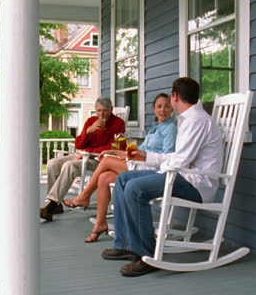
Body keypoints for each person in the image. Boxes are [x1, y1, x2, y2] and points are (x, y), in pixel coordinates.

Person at [101, 77, 224, 277]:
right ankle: (124, 244)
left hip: (197, 183)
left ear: (175, 97)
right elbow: (177, 157)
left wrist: (159, 169)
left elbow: (181, 160)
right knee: (125, 179)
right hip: (183, 175)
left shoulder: (196, 120)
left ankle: (145, 254)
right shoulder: (188, 119)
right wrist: (147, 156)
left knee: (135, 188)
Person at [63, 93, 177, 243]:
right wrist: (115, 151)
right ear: (154, 109)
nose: (163, 110)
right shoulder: (155, 129)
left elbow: (167, 157)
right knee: (104, 178)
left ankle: (83, 197)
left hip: (150, 171)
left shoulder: (171, 129)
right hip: (138, 165)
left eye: (167, 106)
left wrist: (116, 153)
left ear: (172, 109)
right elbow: (139, 150)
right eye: (159, 106)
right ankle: (100, 223)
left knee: (106, 161)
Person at [40, 97, 125, 221]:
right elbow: (78, 144)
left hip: (100, 161)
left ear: (111, 110)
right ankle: (57, 205)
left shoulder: (119, 123)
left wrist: (89, 152)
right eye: (99, 111)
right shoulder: (91, 121)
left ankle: (50, 206)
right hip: (84, 155)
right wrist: (89, 131)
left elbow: (115, 147)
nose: (102, 114)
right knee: (53, 163)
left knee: (70, 166)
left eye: (105, 111)